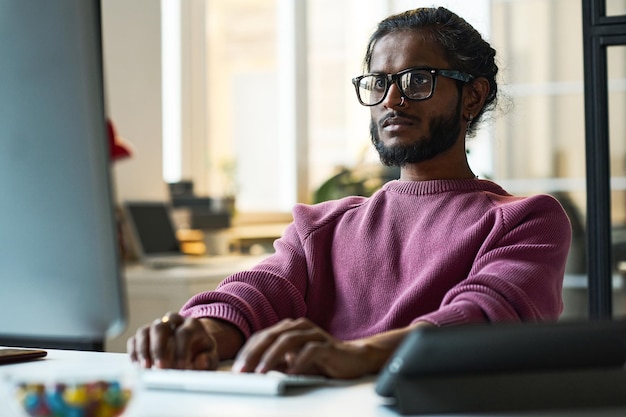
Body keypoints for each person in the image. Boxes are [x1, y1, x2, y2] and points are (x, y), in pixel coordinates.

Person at [128, 7, 572, 380]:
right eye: (379, 83)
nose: (392, 100)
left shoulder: (527, 219)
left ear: (472, 97)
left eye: (418, 80)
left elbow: (487, 321)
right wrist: (200, 333)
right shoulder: (323, 225)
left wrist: (358, 354)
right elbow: (254, 295)